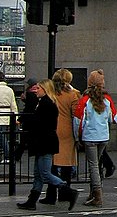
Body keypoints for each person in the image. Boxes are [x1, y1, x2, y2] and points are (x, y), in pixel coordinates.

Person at [17, 78, 79, 211]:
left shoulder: (47, 104)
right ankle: (31, 200)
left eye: (38, 88)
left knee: (45, 173)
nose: (36, 90)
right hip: (42, 142)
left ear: (45, 90)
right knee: (38, 174)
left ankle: (67, 189)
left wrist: (29, 121)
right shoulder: (43, 103)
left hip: (45, 142)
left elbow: (41, 123)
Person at [73, 69, 117, 207]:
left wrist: (77, 137)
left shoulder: (85, 100)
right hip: (103, 135)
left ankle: (97, 194)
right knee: (97, 164)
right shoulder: (107, 99)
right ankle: (94, 193)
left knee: (93, 165)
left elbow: (78, 120)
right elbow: (113, 118)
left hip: (90, 136)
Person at [39, 69, 80, 205]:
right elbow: (76, 115)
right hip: (67, 131)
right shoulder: (73, 95)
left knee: (53, 165)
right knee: (67, 166)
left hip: (53, 128)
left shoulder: (52, 94)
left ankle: (51, 196)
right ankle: (64, 193)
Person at [16, 78, 40, 161]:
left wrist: (20, 119)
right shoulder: (37, 94)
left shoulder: (30, 94)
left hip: (28, 121)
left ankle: (17, 155)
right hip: (34, 120)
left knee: (23, 140)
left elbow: (28, 108)